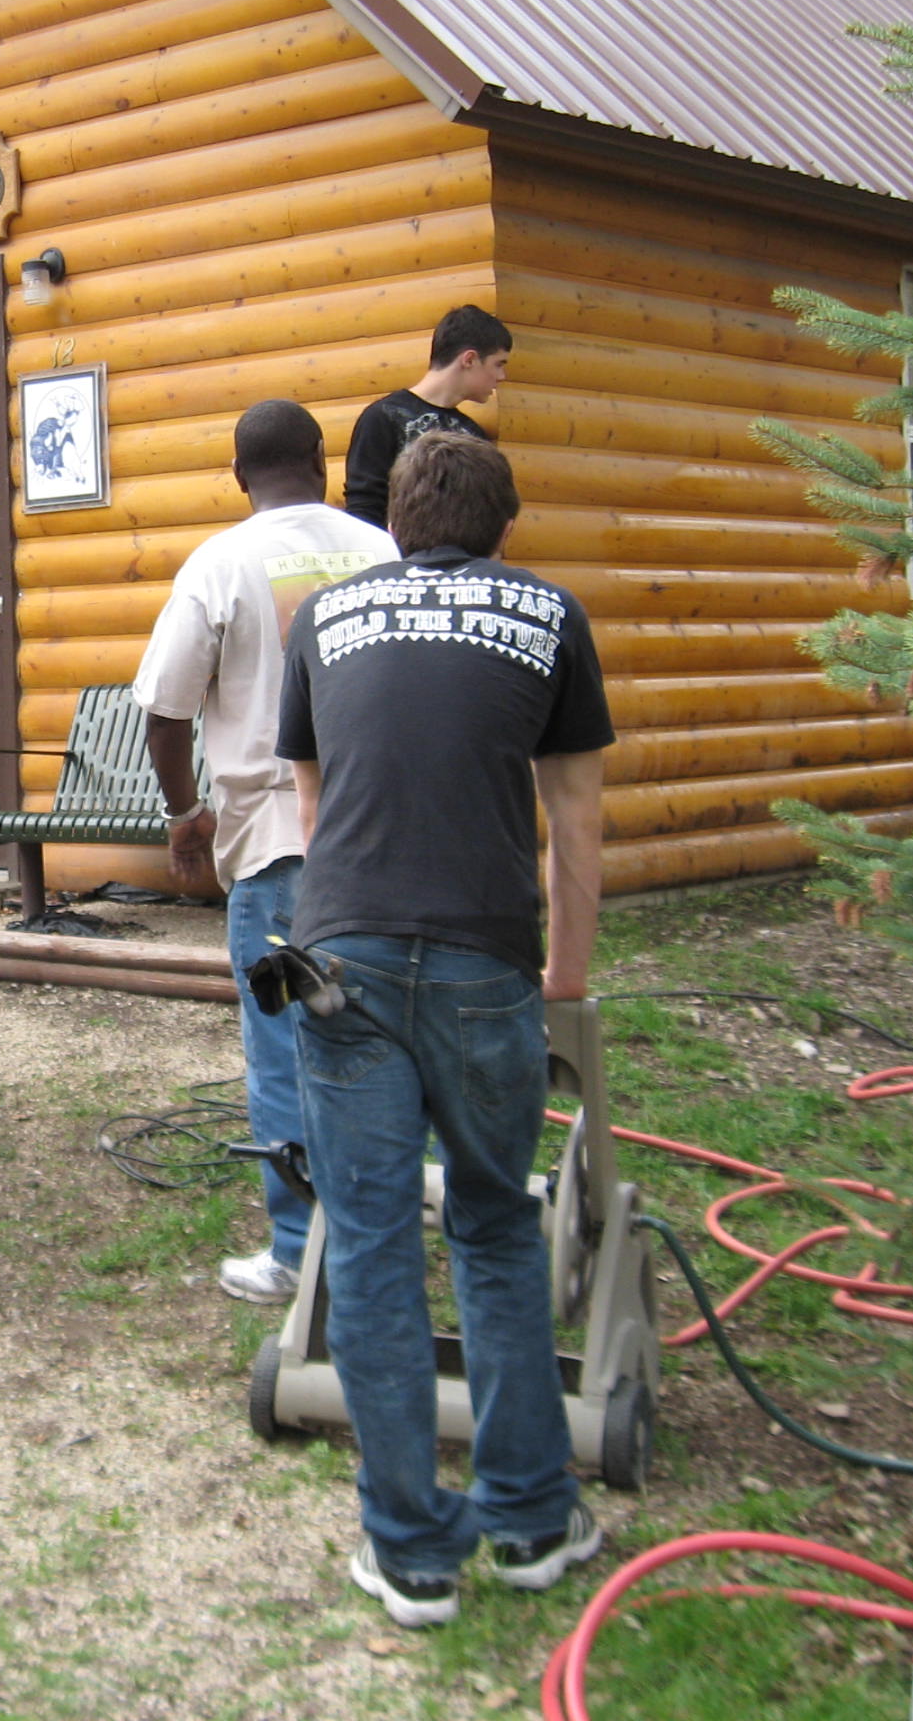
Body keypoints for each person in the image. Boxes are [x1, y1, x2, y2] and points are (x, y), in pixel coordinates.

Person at [277, 431, 614, 1628]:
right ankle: (530, 1522)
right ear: (505, 530)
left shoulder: (323, 618)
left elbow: (314, 808)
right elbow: (576, 818)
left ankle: (412, 1554)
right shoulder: (550, 612)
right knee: (495, 1222)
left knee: (369, 1240)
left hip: (339, 959)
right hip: (484, 958)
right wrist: (564, 979)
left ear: (396, 528)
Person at [132, 400, 395, 1304]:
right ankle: (384, 1227)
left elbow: (165, 711)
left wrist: (185, 813)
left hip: (278, 854)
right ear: (322, 461)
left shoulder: (220, 564)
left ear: (240, 476)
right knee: (383, 1040)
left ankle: (296, 1252)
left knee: (284, 1048)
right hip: (382, 845)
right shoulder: (380, 550)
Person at [340, 305, 511, 529]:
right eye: (498, 364)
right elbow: (364, 510)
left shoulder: (473, 435)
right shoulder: (383, 418)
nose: (502, 376)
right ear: (469, 359)